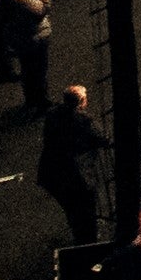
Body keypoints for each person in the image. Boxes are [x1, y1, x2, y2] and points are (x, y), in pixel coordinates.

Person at [36, 82, 106, 253]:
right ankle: (89, 242)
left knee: (71, 206)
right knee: (86, 207)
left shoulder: (52, 115)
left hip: (52, 171)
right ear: (81, 102)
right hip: (77, 173)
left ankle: (79, 233)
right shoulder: (84, 121)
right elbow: (102, 138)